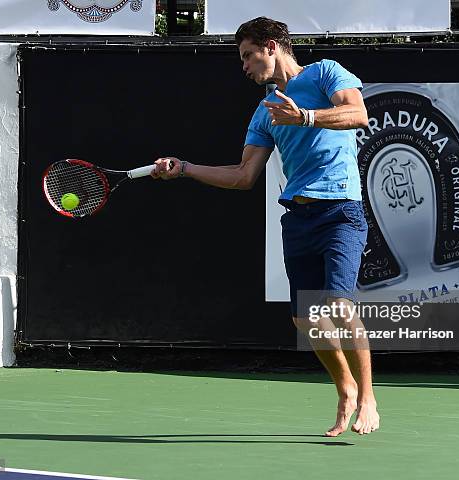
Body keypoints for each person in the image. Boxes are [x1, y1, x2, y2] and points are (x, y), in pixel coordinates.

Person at [152, 16, 379, 436]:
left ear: (272, 46)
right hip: (298, 219)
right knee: (304, 320)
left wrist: (306, 117)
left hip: (341, 212)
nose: (244, 65)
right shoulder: (265, 111)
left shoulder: (325, 72)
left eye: (247, 55)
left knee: (340, 306)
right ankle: (345, 388)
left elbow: (358, 113)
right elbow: (243, 176)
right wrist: (184, 168)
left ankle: (367, 397)